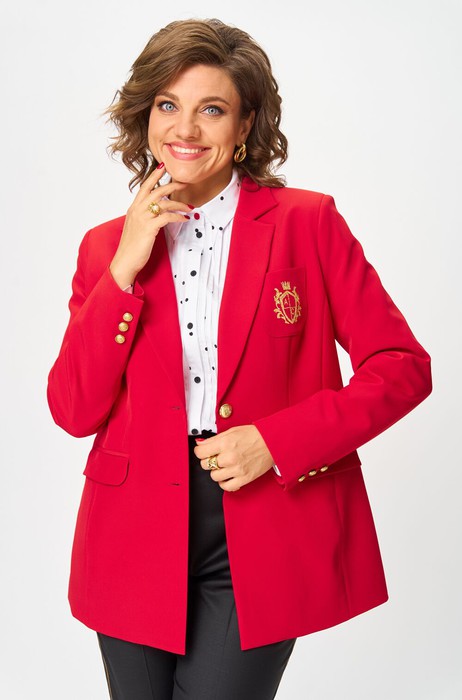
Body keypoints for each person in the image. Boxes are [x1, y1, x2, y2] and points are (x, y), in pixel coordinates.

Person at [46, 17, 432, 700]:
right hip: (132, 530)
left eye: (212, 109)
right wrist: (126, 267)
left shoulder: (308, 223)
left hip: (260, 521)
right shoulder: (105, 247)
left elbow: (401, 365)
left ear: (246, 123)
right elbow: (74, 410)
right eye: (168, 105)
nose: (185, 129)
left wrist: (275, 442)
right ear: (144, 117)